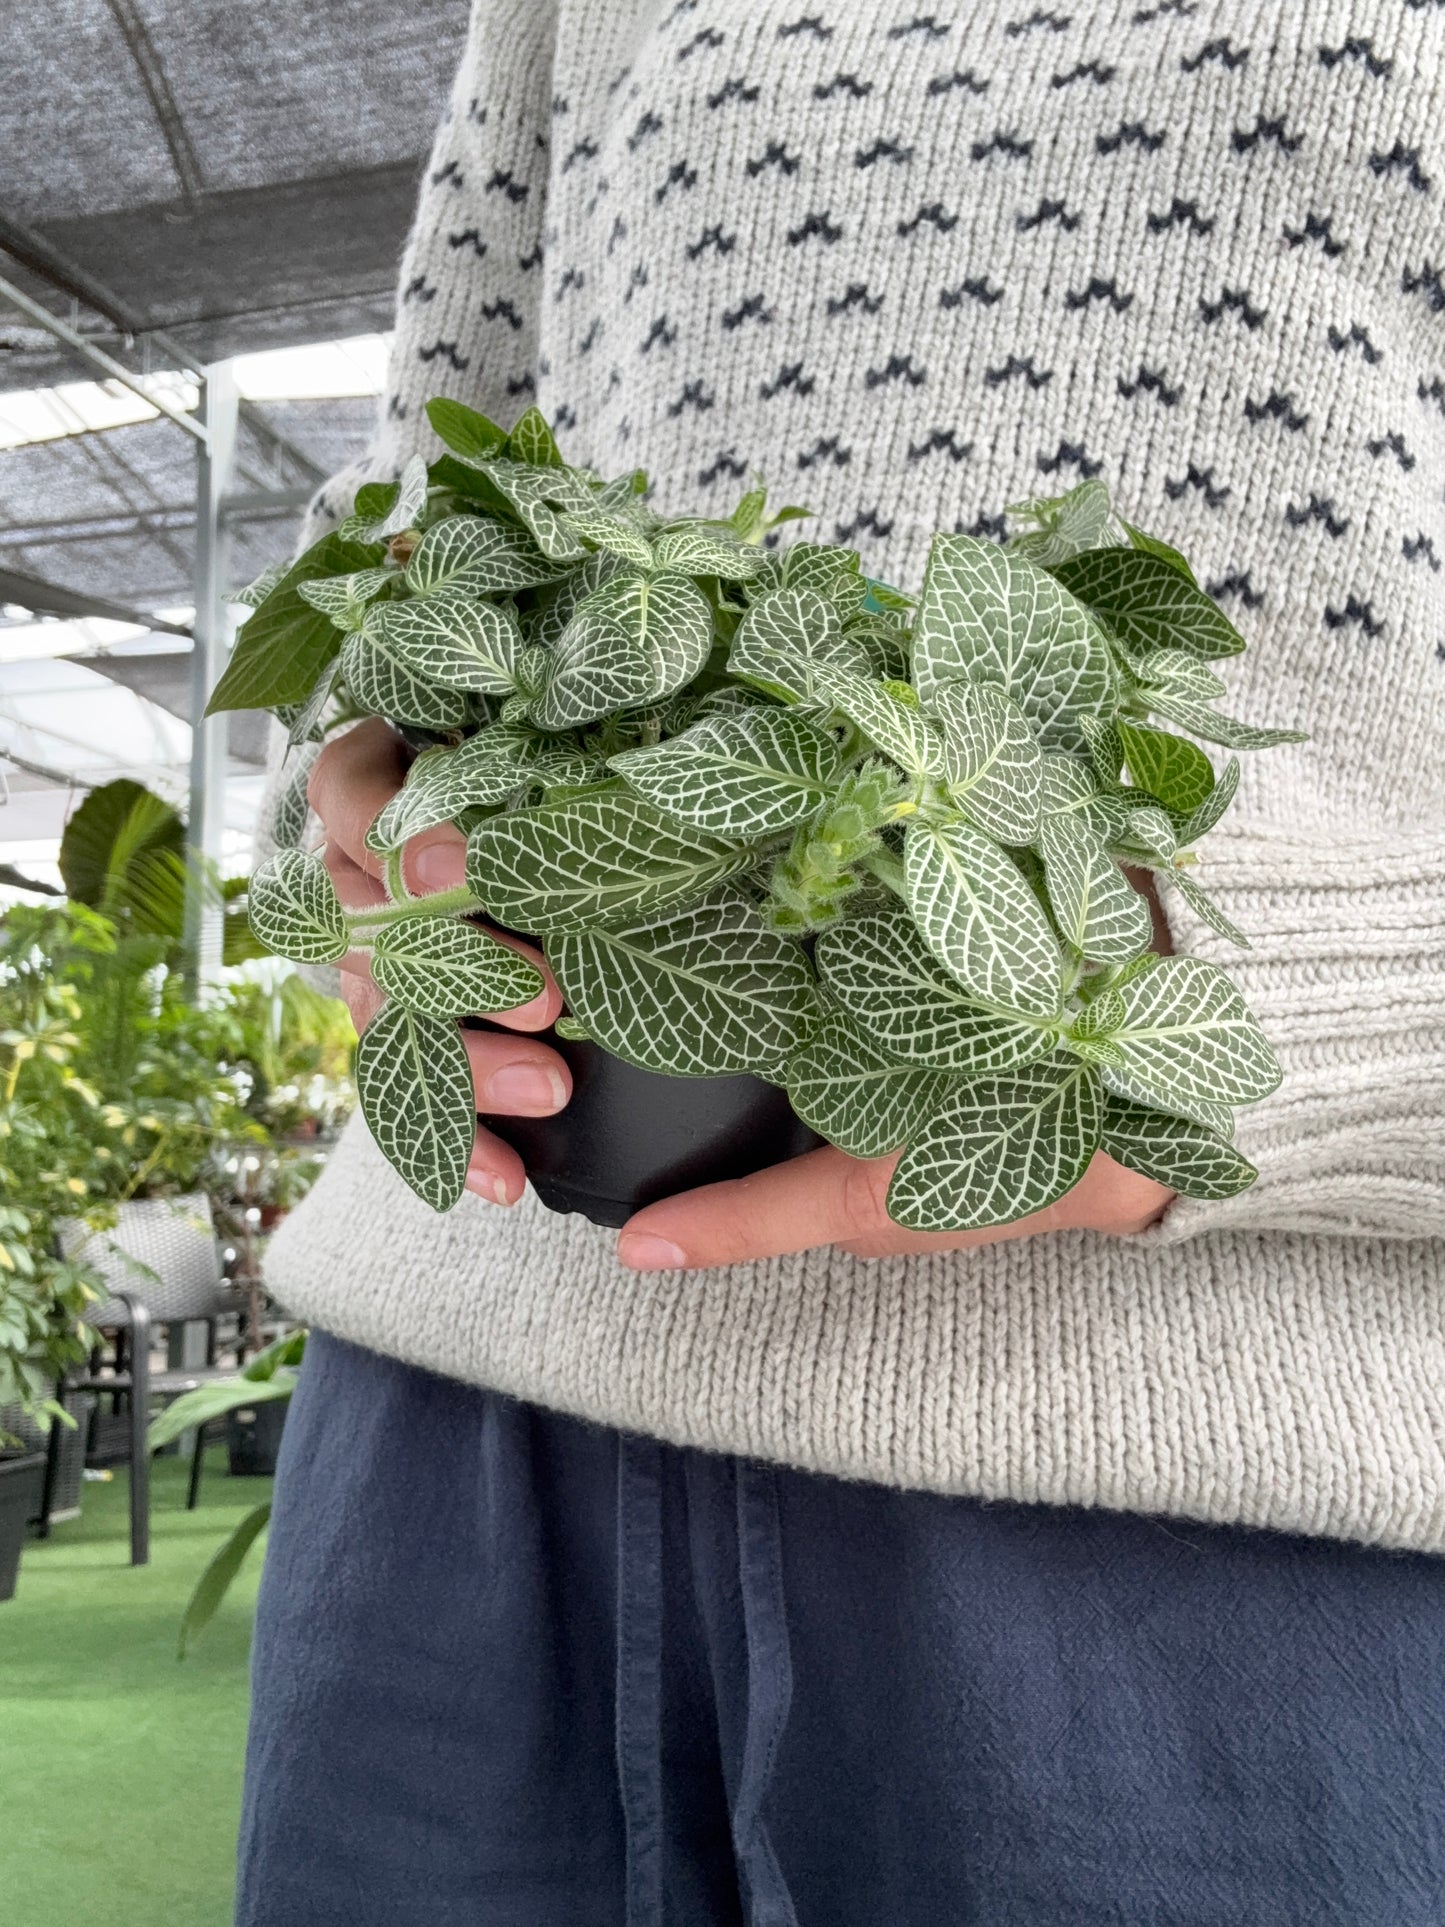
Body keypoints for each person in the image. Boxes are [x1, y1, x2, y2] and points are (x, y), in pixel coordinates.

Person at [237, 3, 1445, 1921]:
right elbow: (403, 512)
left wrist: (1230, 1031)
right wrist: (361, 795)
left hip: (1228, 1509)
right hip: (457, 1434)